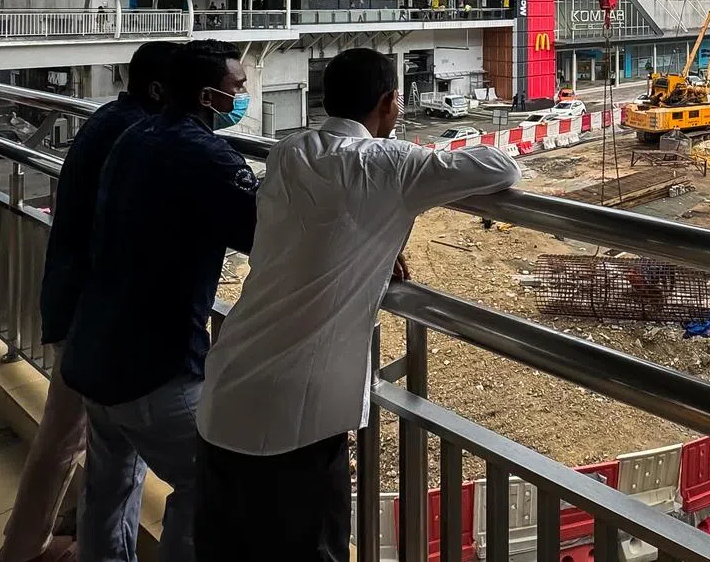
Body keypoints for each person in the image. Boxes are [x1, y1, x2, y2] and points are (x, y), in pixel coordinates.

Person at [195, 48, 519, 562]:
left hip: (225, 392)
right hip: (296, 421)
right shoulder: (391, 163)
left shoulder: (290, 151)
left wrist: (376, 244)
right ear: (389, 102)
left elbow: (318, 228)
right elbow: (501, 167)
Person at [60, 40, 259, 562]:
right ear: (208, 96)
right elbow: (265, 233)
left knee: (109, 484)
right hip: (154, 368)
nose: (243, 95)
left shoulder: (135, 135)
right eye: (237, 86)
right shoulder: (209, 156)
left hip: (94, 351)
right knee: (210, 484)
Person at [0, 42, 181, 562]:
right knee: (71, 437)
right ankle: (28, 548)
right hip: (92, 314)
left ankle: (45, 541)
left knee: (82, 437)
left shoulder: (110, 121)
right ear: (160, 89)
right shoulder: (137, 137)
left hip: (77, 304)